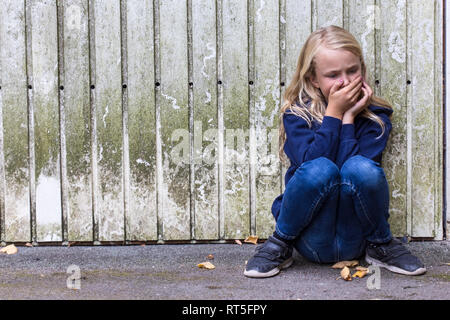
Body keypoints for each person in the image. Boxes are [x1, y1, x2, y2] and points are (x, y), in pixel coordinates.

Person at [244, 25, 426, 278]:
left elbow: (350, 172)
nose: (346, 81)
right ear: (313, 79)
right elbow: (310, 166)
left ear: (362, 68)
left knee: (360, 167)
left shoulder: (377, 118)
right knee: (319, 167)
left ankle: (381, 245)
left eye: (353, 70)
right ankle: (279, 244)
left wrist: (349, 117)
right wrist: (334, 114)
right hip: (311, 240)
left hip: (359, 239)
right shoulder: (297, 116)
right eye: (333, 75)